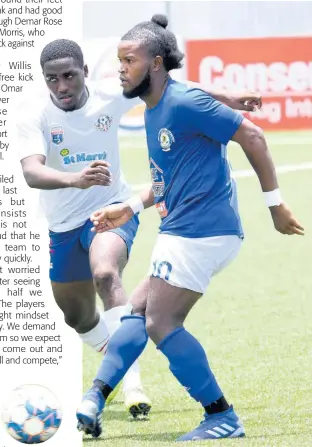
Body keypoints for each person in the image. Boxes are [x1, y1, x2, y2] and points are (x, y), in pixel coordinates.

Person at [76, 15, 304, 441]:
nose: (120, 68)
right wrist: (128, 206)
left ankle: (221, 415)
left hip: (201, 232)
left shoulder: (183, 103)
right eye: (120, 60)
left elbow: (253, 136)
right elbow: (164, 181)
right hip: (182, 230)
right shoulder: (155, 108)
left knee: (160, 322)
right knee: (139, 312)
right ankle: (94, 397)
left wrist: (275, 205)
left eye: (130, 60)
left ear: (156, 63)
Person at [17, 38, 259, 417]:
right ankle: (114, 361)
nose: (61, 86)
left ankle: (130, 385)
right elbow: (32, 171)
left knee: (105, 273)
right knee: (77, 317)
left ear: (84, 72)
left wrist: (226, 96)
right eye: (52, 79)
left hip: (111, 209)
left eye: (68, 76)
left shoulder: (110, 95)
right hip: (62, 223)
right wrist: (74, 179)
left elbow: (171, 88)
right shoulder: (34, 114)